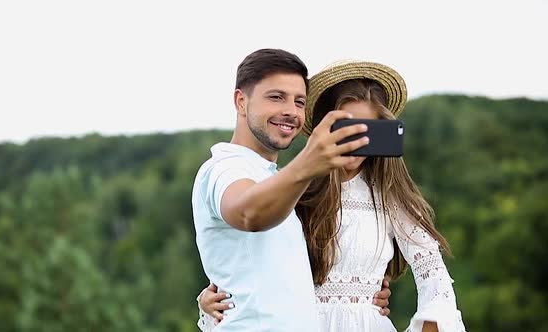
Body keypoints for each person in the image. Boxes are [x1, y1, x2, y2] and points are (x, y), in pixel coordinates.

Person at [200, 59, 467, 331]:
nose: (354, 142)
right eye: (344, 128)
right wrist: (210, 299)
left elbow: (433, 276)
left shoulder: (390, 197)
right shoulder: (295, 190)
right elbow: (257, 259)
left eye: (366, 131)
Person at [191, 49, 391, 332]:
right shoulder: (224, 168)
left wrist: (363, 293)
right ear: (241, 102)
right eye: (276, 97)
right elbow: (249, 213)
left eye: (299, 102)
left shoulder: (276, 180)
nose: (290, 111)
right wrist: (308, 163)